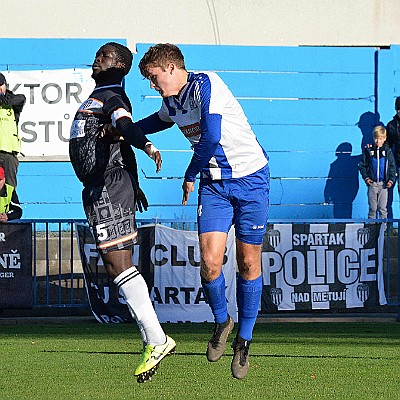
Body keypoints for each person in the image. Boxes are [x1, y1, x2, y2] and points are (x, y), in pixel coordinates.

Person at [135, 43, 270, 379]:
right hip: (215, 186)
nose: (152, 85)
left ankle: (244, 340)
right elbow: (157, 121)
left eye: (153, 77)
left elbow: (210, 138)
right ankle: (222, 320)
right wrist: (124, 129)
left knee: (248, 261)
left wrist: (189, 174)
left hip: (251, 178)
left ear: (169, 68)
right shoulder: (171, 100)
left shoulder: (206, 85)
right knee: (210, 263)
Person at [68, 42, 175, 383]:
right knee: (115, 262)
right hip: (104, 185)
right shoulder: (97, 97)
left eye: (103, 56)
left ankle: (157, 338)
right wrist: (137, 181)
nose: (96, 60)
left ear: (118, 65)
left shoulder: (112, 96)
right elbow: (119, 141)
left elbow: (125, 126)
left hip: (109, 185)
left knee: (117, 261)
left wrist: (146, 144)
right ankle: (152, 337)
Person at [359, 126, 396, 220]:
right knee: (372, 209)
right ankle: (372, 232)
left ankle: (382, 232)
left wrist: (391, 180)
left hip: (383, 185)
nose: (378, 141)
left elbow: (392, 167)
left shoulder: (388, 151)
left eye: (380, 138)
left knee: (382, 209)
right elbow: (362, 165)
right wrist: (366, 178)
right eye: (376, 138)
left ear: (384, 138)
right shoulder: (368, 151)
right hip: (372, 184)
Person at [0, 72, 26, 188]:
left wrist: (4, 99)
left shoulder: (14, 101)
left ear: (5, 84)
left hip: (8, 154)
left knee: (9, 188)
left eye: (0, 84)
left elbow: (20, 99)